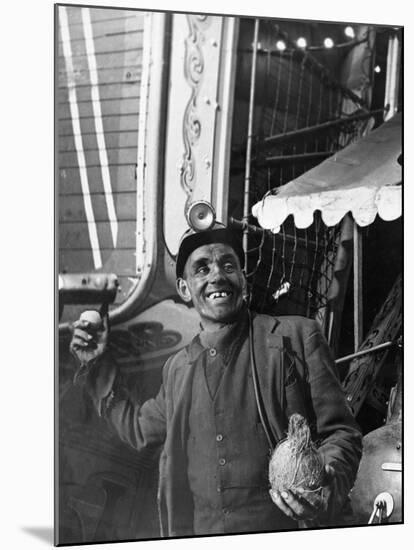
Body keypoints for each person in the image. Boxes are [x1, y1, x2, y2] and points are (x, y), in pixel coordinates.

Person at [70, 222, 362, 537]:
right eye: (202, 269)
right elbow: (139, 430)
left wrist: (323, 487)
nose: (217, 276)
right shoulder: (177, 370)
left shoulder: (297, 336)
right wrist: (95, 364)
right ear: (184, 289)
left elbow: (342, 434)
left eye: (227, 265)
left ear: (243, 280)